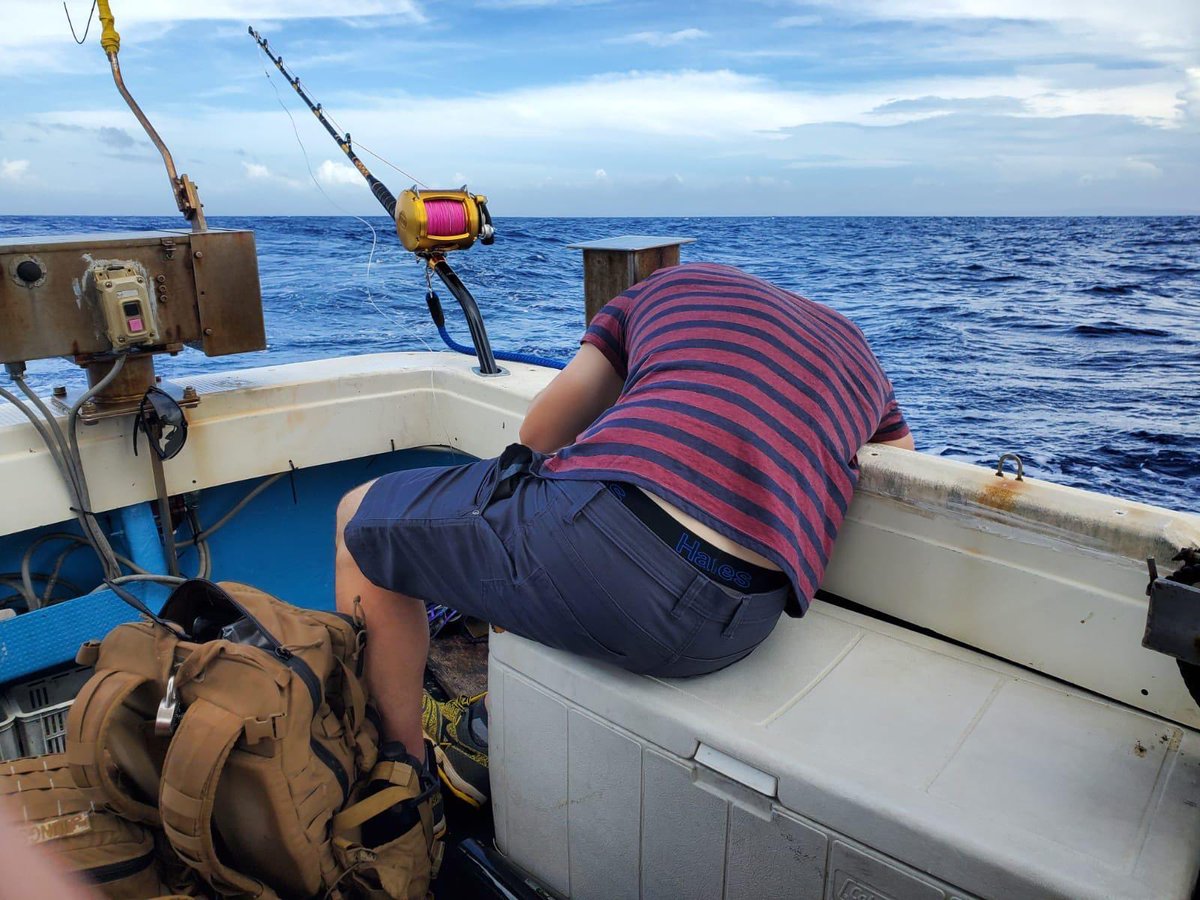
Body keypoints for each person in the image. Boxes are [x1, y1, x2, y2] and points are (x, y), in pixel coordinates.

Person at [334, 262, 912, 807]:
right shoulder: (858, 353)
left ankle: (404, 779)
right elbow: (899, 463)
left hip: (613, 561)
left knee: (359, 520)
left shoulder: (660, 287)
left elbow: (539, 433)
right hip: (746, 621)